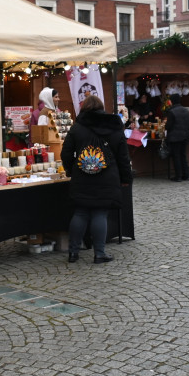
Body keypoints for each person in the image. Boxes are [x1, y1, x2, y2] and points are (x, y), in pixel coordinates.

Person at [60, 94, 132, 264]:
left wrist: (71, 170)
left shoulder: (77, 127)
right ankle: (99, 253)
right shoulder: (114, 126)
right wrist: (126, 178)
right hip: (107, 177)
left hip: (82, 176)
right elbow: (123, 156)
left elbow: (66, 153)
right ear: (102, 108)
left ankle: (73, 253)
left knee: (81, 212)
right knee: (100, 212)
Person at [163, 93, 189, 182]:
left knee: (176, 156)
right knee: (183, 155)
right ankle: (186, 175)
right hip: (185, 135)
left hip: (175, 137)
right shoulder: (185, 110)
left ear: (171, 101)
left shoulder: (172, 111)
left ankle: (178, 176)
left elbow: (168, 126)